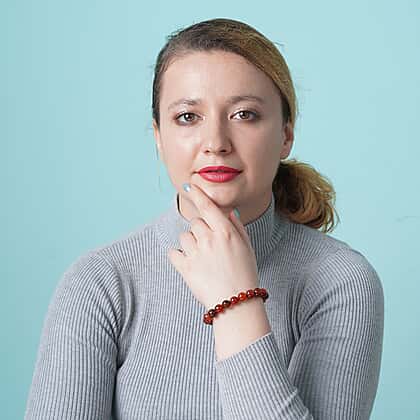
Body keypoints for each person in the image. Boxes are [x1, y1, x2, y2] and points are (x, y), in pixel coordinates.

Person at [25, 18, 384, 420]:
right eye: (187, 117)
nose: (216, 143)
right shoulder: (99, 283)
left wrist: (236, 304)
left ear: (286, 135)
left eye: (244, 114)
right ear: (159, 137)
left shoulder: (341, 282)